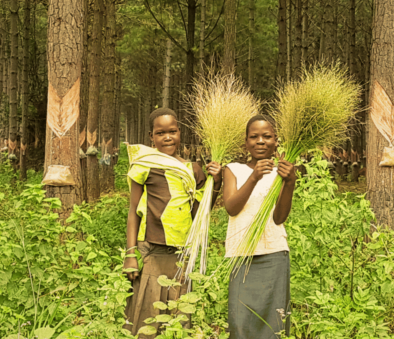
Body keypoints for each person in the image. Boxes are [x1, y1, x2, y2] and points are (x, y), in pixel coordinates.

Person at [123, 108, 222, 337]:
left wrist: (215, 183)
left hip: (182, 254)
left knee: (178, 318)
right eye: (160, 133)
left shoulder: (193, 169)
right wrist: (130, 255)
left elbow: (199, 214)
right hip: (152, 251)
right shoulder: (144, 164)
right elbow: (133, 212)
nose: (167, 137)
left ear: (180, 133)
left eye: (172, 131)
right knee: (147, 318)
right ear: (151, 137)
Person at [223, 115, 297, 339]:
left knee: (274, 323)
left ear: (276, 141)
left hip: (273, 254)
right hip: (241, 255)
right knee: (240, 322)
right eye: (254, 137)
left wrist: (290, 182)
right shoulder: (233, 169)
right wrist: (254, 177)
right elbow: (231, 207)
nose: (261, 141)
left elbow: (279, 217)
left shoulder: (281, 172)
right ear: (246, 143)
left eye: (267, 136)